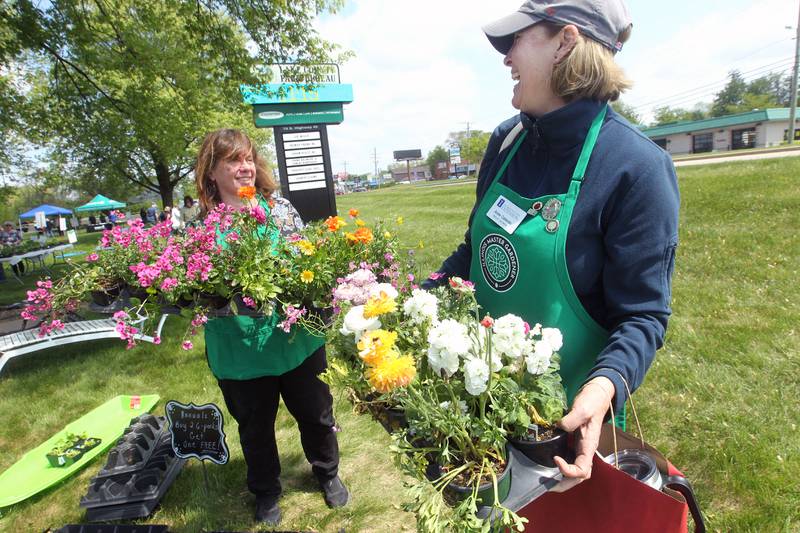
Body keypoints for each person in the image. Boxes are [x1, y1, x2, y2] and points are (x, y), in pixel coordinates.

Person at [424, 0, 679, 492]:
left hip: (561, 432)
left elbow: (644, 315)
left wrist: (603, 388)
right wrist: (413, 299)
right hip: (474, 405)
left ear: (565, 42)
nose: (505, 57)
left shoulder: (637, 168)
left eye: (515, 39)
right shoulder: (505, 142)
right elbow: (474, 255)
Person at [195, 128, 348, 526]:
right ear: (211, 172)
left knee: (316, 413)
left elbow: (307, 261)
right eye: (232, 160)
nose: (244, 167)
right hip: (240, 346)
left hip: (295, 338)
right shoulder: (202, 228)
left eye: (247, 158)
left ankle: (327, 473)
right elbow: (192, 289)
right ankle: (266, 492)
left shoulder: (280, 210)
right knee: (255, 427)